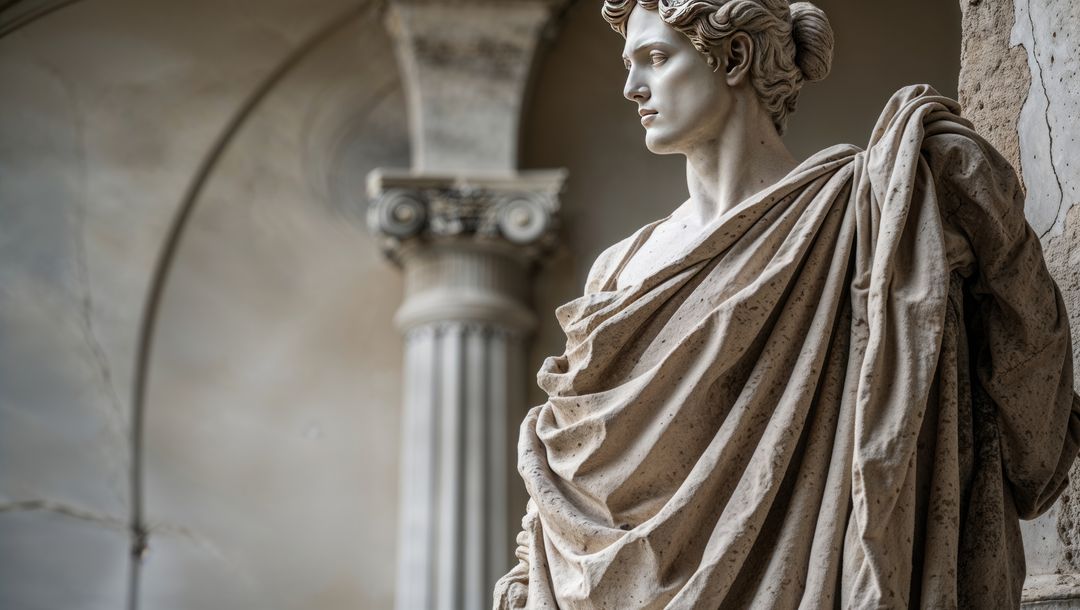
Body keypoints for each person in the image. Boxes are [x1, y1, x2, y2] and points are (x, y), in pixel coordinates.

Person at [494, 0, 1080, 607]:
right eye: (629, 64)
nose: (632, 87)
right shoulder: (617, 270)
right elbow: (564, 498)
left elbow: (1026, 380)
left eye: (656, 58)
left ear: (736, 57)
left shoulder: (865, 217)